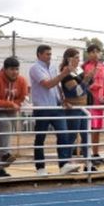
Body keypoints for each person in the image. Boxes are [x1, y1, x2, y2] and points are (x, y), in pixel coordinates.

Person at [29, 44, 79, 175]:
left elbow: (57, 86)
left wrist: (63, 100)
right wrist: (64, 73)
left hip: (56, 106)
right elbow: (48, 84)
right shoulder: (35, 68)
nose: (49, 56)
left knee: (63, 134)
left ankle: (64, 164)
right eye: (47, 54)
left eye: (50, 54)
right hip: (42, 108)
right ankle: (40, 167)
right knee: (40, 138)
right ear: (39, 55)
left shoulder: (52, 67)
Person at [0, 56, 29, 178]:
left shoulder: (22, 80)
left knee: (5, 134)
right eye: (11, 69)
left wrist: (14, 105)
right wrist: (10, 104)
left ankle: (0, 169)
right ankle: (5, 154)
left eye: (17, 69)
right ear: (5, 69)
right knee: (5, 125)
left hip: (11, 110)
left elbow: (23, 97)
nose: (15, 72)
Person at [59, 48, 93, 171]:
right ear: (69, 59)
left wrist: (89, 78)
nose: (79, 60)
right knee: (72, 135)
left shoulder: (79, 70)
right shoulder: (66, 73)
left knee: (86, 135)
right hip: (73, 107)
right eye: (76, 57)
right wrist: (85, 80)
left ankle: (88, 163)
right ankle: (67, 162)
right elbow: (76, 92)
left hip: (83, 107)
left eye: (79, 57)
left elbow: (86, 86)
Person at [82, 44, 104, 165]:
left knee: (97, 129)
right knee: (89, 128)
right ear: (88, 54)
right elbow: (82, 85)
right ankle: (87, 155)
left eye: (97, 52)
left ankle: (95, 154)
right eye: (92, 52)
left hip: (100, 103)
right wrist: (93, 86)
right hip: (89, 102)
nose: (95, 54)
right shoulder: (84, 67)